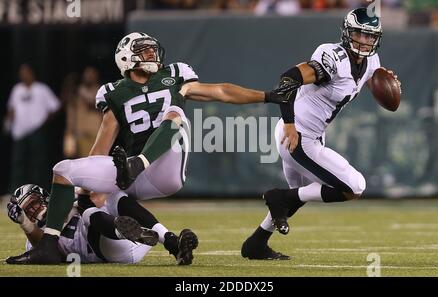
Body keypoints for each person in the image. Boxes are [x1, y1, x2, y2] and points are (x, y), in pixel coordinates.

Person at [7, 32, 291, 264]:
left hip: (165, 165)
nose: (151, 55)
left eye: (151, 50)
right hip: (134, 173)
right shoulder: (114, 92)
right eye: (143, 51)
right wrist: (84, 191)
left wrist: (266, 96)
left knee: (175, 115)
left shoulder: (174, 77)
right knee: (65, 170)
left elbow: (222, 91)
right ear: (126, 57)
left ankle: (138, 163)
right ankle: (49, 246)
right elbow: (101, 146)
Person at [241, 7, 402, 260]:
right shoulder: (332, 58)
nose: (364, 41)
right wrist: (289, 123)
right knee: (354, 186)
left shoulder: (372, 62)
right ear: (347, 33)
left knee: (299, 196)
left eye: (370, 36)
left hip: (312, 135)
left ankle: (256, 243)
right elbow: (289, 79)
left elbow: (368, 82)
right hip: (296, 135)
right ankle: (278, 197)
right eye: (359, 34)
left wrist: (387, 83)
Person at [5, 184, 198, 265]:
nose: (32, 212)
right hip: (109, 251)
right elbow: (50, 252)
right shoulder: (35, 241)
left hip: (127, 238)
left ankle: (171, 241)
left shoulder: (69, 198)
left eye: (33, 204)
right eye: (26, 212)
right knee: (88, 213)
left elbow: (95, 192)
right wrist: (26, 225)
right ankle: (127, 232)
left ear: (45, 197)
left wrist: (85, 191)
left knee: (114, 197)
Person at [3, 64, 61, 192]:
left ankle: (39, 191)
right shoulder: (17, 89)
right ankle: (16, 191)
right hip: (19, 132)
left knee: (38, 162)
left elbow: (55, 106)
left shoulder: (41, 89)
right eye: (21, 73)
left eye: (26, 72)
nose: (24, 75)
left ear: (32, 73)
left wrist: (43, 122)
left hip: (36, 131)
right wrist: (8, 122)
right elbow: (12, 108)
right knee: (18, 163)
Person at [63, 67, 103, 158]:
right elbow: (70, 113)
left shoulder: (101, 91)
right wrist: (69, 133)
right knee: (80, 162)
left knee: (95, 161)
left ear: (96, 77)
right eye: (87, 75)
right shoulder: (76, 92)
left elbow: (103, 109)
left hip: (96, 133)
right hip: (80, 133)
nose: (89, 77)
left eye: (91, 75)